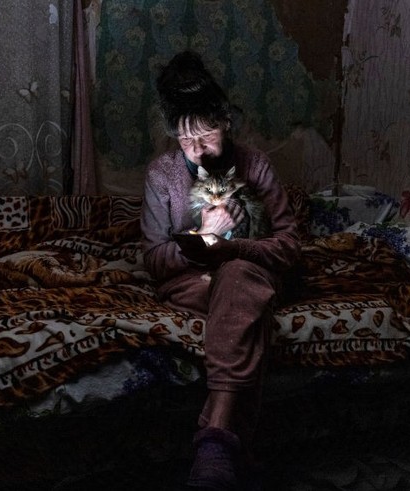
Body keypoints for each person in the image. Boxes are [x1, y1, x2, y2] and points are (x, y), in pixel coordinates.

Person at [140, 51, 300, 490]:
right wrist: (204, 237)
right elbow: (154, 261)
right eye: (184, 139)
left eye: (206, 136)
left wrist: (235, 247)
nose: (197, 150)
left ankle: (213, 442)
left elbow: (289, 247)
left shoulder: (256, 164)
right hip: (192, 284)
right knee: (247, 308)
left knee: (239, 279)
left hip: (246, 275)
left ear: (226, 122)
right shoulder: (161, 175)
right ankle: (233, 449)